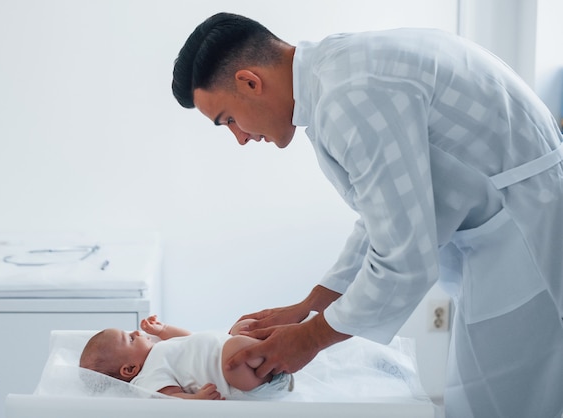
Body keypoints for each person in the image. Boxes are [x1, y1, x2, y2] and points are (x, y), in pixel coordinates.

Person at [171, 12, 563, 418]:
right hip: (508, 231)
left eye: (229, 120)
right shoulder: (337, 70)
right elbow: (385, 211)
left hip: (527, 234)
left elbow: (404, 261)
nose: (239, 138)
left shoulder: (348, 97)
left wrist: (309, 338)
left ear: (249, 82)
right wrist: (312, 303)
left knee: (506, 404)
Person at [79, 315, 294, 400]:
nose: (136, 332)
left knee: (244, 327)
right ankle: (276, 355)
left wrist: (163, 329)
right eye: (130, 339)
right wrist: (196, 399)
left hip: (226, 349)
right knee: (237, 350)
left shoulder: (159, 348)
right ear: (129, 369)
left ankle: (277, 349)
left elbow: (188, 339)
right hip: (234, 373)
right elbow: (170, 398)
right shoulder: (146, 378)